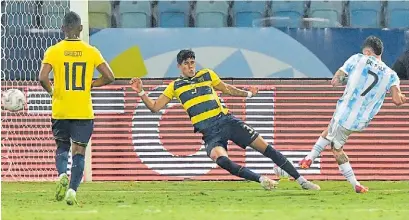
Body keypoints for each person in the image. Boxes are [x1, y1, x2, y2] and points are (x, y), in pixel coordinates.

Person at [129, 49, 320, 191]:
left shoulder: (207, 75)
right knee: (219, 159)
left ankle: (302, 180)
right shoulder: (175, 86)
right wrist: (141, 92)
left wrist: (248, 95)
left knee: (265, 148)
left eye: (192, 62)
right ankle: (261, 180)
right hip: (209, 133)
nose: (190, 66)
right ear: (179, 66)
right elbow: (155, 107)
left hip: (227, 121)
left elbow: (227, 89)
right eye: (186, 63)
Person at [299, 36, 406, 193]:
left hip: (345, 114)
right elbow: (397, 100)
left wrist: (342, 80)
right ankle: (309, 159)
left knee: (336, 149)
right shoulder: (391, 75)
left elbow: (336, 79)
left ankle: (350, 181)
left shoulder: (358, 59)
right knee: (329, 132)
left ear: (368, 52)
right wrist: (402, 98)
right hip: (360, 122)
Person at [39, 11, 115, 205]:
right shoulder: (91, 51)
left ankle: (62, 174)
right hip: (83, 110)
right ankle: (72, 190)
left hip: (61, 108)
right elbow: (110, 76)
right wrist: (91, 85)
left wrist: (52, 92)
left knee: (62, 147)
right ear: (81, 28)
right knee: (79, 151)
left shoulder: (53, 50)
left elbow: (42, 78)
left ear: (63, 28)